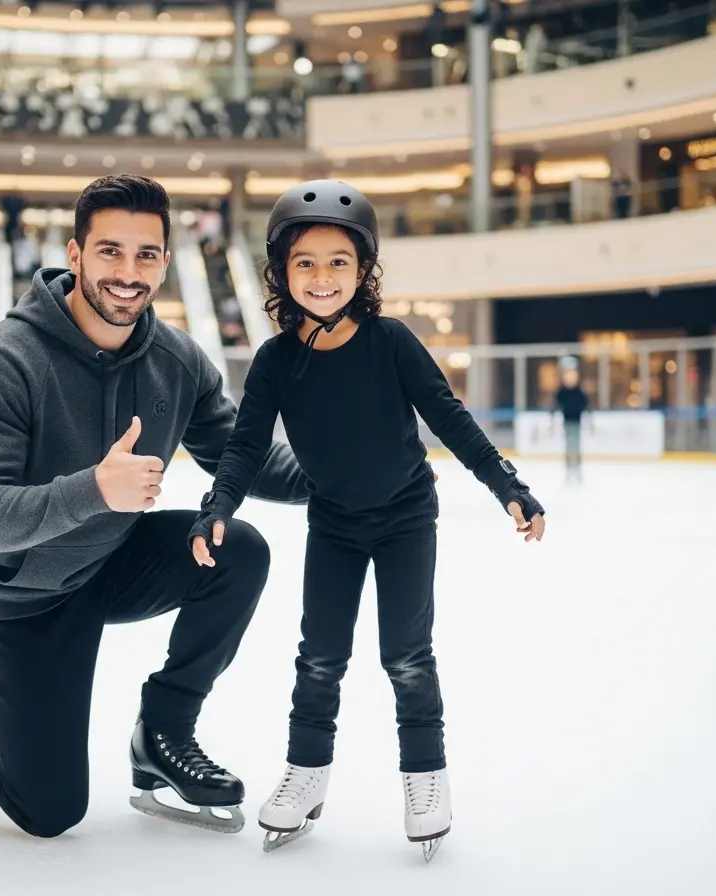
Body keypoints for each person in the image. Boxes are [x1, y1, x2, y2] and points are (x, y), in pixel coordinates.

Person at [0, 174, 310, 839]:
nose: (128, 272)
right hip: (17, 590)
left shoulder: (177, 361)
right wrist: (94, 489)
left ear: (166, 263)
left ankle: (164, 735)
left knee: (240, 550)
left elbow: (242, 457)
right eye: (110, 252)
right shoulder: (4, 362)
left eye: (146, 254)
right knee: (49, 810)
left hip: (106, 562)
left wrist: (349, 477)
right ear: (77, 253)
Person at [185, 180, 547, 861]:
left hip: (407, 516)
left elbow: (449, 418)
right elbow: (244, 447)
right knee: (318, 657)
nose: (322, 278)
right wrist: (217, 509)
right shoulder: (275, 362)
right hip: (335, 523)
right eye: (305, 263)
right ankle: (306, 775)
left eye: (338, 262)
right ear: (281, 273)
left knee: (406, 657)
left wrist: (507, 485)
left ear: (363, 271)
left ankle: (426, 779)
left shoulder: (390, 342)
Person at [553, 358, 590, 484]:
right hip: (567, 423)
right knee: (569, 449)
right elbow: (557, 404)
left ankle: (577, 473)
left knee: (576, 448)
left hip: (576, 423)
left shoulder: (579, 392)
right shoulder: (562, 392)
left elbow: (585, 405)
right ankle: (569, 473)